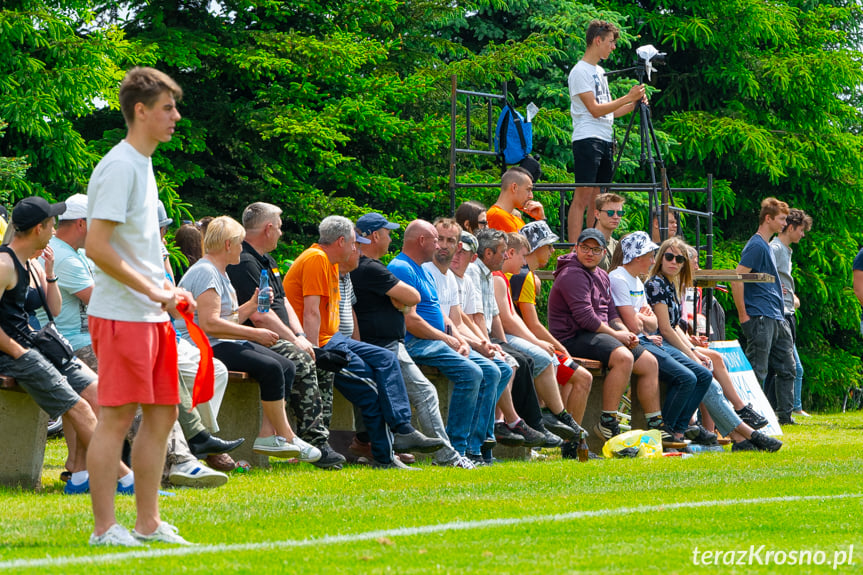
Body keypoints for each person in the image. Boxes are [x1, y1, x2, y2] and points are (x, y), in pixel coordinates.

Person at [42, 193, 237, 483]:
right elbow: (105, 300)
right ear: (84, 224)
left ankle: (184, 454)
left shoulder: (79, 253)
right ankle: (177, 460)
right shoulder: (65, 257)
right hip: (77, 345)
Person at [85, 67, 196, 546]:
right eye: (168, 108)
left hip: (152, 316)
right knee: (115, 419)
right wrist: (153, 292)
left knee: (163, 415)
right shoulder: (119, 166)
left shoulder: (144, 164)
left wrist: (167, 291)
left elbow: (135, 248)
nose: (175, 116)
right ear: (141, 111)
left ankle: (147, 523)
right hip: (122, 315)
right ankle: (104, 529)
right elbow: (97, 246)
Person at [283, 215, 443, 469]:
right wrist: (314, 351)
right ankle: (384, 457)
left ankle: (402, 429)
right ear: (341, 241)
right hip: (322, 344)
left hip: (335, 338)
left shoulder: (331, 263)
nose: (357, 248)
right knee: (371, 388)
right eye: (354, 243)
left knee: (385, 358)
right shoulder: (316, 259)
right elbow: (310, 312)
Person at [0, 197, 134, 498]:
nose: (55, 229)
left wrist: (49, 273)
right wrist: (17, 351)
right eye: (51, 224)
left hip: (41, 345)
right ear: (39, 228)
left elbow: (55, 310)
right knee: (79, 406)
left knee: (98, 392)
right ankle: (126, 479)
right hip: (14, 355)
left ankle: (79, 475)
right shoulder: (4, 263)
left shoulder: (33, 263)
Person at [226, 202, 346, 470]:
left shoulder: (267, 260)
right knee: (301, 360)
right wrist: (295, 342)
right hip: (257, 337)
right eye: (279, 228)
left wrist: (300, 334)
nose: (281, 233)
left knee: (324, 363)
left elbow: (285, 302)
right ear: (268, 228)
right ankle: (312, 442)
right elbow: (259, 314)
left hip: (284, 334)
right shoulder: (244, 261)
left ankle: (317, 440)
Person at [349, 213, 474, 468]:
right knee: (427, 392)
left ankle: (380, 445)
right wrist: (404, 300)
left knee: (382, 396)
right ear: (374, 236)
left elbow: (408, 302)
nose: (390, 238)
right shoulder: (373, 268)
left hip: (382, 346)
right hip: (385, 346)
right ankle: (448, 456)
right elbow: (411, 298)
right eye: (387, 233)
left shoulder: (370, 267)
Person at [388, 219, 510, 462]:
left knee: (497, 370)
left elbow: (446, 316)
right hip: (417, 342)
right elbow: (411, 321)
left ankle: (474, 448)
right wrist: (449, 338)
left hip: (437, 341)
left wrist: (463, 340)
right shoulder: (402, 268)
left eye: (447, 240)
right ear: (423, 241)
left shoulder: (421, 269)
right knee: (473, 373)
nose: (440, 245)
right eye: (437, 239)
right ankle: (456, 448)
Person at [645, 237, 781, 452]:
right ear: (660, 258)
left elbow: (675, 327)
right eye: (669, 257)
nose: (674, 262)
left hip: (669, 343)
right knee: (703, 375)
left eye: (679, 259)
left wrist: (691, 350)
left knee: (709, 375)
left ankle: (742, 437)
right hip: (657, 344)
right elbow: (665, 329)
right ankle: (746, 432)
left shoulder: (671, 285)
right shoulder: (655, 284)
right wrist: (692, 354)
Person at [548, 228, 664, 440]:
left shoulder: (601, 275)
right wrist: (617, 335)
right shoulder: (571, 274)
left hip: (597, 334)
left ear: (604, 253)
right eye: (584, 248)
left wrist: (623, 331)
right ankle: (608, 422)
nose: (589, 253)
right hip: (572, 337)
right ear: (575, 248)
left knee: (649, 362)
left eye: (595, 249)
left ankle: (656, 424)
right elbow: (586, 318)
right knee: (623, 357)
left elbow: (610, 312)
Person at [609, 231, 712, 443]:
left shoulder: (637, 281)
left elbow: (653, 322)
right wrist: (641, 319)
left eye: (679, 259)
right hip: (637, 342)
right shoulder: (620, 278)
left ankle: (678, 431)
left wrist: (642, 319)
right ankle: (665, 431)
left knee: (703, 375)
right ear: (637, 256)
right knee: (688, 377)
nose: (653, 260)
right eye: (651, 255)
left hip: (646, 339)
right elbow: (639, 325)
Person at [495, 231, 584, 439]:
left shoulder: (514, 278)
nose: (553, 251)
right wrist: (551, 344)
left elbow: (514, 319)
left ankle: (557, 421)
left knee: (561, 365)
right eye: (549, 246)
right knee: (574, 373)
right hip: (512, 338)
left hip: (516, 336)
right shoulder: (522, 277)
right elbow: (528, 323)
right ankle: (555, 419)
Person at [567, 20, 645, 243]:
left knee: (598, 199)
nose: (613, 47)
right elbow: (594, 110)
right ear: (597, 40)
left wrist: (634, 104)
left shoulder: (599, 71)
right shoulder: (579, 71)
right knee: (582, 196)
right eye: (610, 42)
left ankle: (595, 243)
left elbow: (609, 111)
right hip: (587, 138)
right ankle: (574, 248)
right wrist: (628, 97)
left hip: (604, 138)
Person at [730, 197, 797, 425]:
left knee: (788, 368)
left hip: (777, 317)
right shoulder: (756, 245)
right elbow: (736, 278)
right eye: (781, 219)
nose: (784, 224)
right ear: (768, 219)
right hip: (760, 316)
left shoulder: (766, 246)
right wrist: (743, 315)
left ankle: (785, 417)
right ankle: (749, 418)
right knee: (757, 371)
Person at [769, 208, 812, 417]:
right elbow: (767, 277)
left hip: (787, 311)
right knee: (787, 365)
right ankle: (785, 411)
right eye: (801, 230)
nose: (802, 235)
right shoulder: (775, 248)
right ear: (792, 227)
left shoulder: (786, 250)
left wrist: (791, 296)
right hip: (779, 314)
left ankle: (783, 409)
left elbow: (783, 279)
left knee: (785, 366)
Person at [486, 167, 544, 233]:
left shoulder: (515, 218)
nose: (531, 196)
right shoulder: (497, 216)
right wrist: (541, 220)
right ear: (514, 187)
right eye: (528, 190)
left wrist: (540, 219)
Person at [593, 193, 625, 271]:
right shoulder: (587, 243)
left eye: (619, 213)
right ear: (597, 214)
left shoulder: (617, 245)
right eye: (610, 213)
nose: (615, 217)